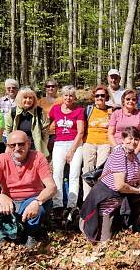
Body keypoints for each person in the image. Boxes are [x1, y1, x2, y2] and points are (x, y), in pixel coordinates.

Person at [0, 130, 57, 250]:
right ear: (8, 146)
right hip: (9, 204)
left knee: (42, 206)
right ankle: (2, 232)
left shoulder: (38, 157)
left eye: (21, 144)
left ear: (28, 143)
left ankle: (31, 233)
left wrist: (37, 201)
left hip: (30, 200)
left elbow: (52, 187)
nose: (17, 148)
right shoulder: (0, 159)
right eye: (12, 145)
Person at [79, 127, 140, 242]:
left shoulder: (134, 157)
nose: (133, 142)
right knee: (104, 239)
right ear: (123, 139)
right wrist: (137, 191)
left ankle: (133, 222)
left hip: (120, 197)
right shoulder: (119, 155)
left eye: (136, 139)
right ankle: (84, 223)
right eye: (130, 138)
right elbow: (120, 186)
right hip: (106, 198)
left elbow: (138, 182)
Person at [48, 86, 84, 215]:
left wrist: (72, 151)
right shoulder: (55, 109)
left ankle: (71, 205)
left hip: (75, 144)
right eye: (66, 95)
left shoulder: (79, 110)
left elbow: (80, 132)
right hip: (59, 144)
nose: (68, 98)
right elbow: (47, 122)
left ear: (74, 98)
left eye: (71, 96)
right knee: (57, 173)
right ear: (62, 97)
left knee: (74, 174)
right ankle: (57, 204)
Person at [82, 85, 113, 200]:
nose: (99, 97)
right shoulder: (88, 109)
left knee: (101, 170)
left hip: (105, 143)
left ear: (106, 97)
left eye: (102, 95)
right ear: (94, 97)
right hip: (89, 142)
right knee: (87, 169)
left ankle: (99, 197)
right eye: (97, 95)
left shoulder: (111, 110)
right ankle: (87, 198)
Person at [5, 87, 49, 156]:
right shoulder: (13, 112)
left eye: (30, 98)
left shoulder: (40, 112)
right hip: (17, 147)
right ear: (20, 99)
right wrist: (10, 146)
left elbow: (45, 132)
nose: (28, 100)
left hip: (35, 147)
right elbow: (8, 130)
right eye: (25, 97)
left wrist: (43, 146)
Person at [108, 89, 140, 164]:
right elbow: (110, 133)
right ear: (123, 101)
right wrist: (116, 148)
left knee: (136, 169)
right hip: (119, 145)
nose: (130, 101)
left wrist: (136, 151)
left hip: (135, 146)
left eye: (133, 99)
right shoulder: (116, 114)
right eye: (128, 99)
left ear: (136, 101)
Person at [38, 78, 62, 156]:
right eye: (48, 86)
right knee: (44, 155)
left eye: (53, 86)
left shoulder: (61, 100)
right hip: (43, 131)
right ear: (45, 88)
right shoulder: (41, 101)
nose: (50, 88)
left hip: (57, 131)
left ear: (57, 88)